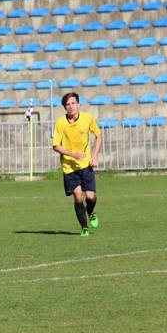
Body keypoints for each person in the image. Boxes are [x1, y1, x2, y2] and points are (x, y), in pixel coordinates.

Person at [52, 92, 103, 237]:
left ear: (78, 104)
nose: (71, 106)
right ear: (64, 107)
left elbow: (98, 135)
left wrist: (94, 156)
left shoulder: (87, 118)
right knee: (78, 197)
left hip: (86, 165)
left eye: (73, 103)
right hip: (69, 167)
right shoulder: (61, 122)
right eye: (68, 104)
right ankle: (84, 228)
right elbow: (55, 145)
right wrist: (72, 154)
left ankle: (91, 212)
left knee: (91, 197)